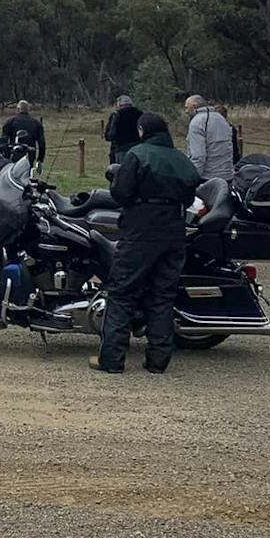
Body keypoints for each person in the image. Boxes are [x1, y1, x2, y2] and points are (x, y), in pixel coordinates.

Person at [91, 112, 199, 375]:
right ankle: (158, 361)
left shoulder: (138, 154)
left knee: (122, 293)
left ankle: (112, 360)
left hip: (140, 230)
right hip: (173, 230)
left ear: (142, 131)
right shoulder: (181, 159)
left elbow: (120, 193)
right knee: (162, 296)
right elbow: (191, 192)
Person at [184, 94, 236, 183]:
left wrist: (191, 179)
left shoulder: (197, 122)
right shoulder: (221, 119)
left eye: (186, 108)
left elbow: (198, 156)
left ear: (194, 106)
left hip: (207, 178)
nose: (185, 111)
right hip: (227, 176)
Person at [0, 100, 46, 166]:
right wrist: (40, 159)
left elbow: (3, 140)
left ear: (18, 109)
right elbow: (42, 143)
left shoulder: (10, 122)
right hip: (30, 155)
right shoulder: (36, 123)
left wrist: (5, 154)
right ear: (28, 109)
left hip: (13, 154)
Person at [103, 94, 142, 165]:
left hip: (121, 149)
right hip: (138, 149)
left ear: (119, 105)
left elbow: (110, 135)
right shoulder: (140, 114)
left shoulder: (117, 115)